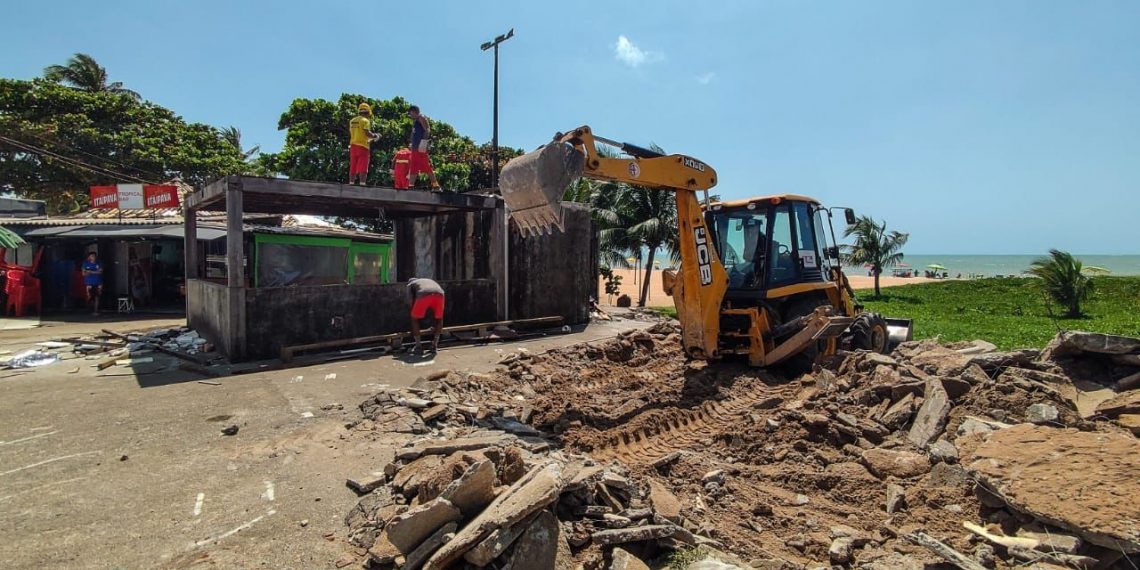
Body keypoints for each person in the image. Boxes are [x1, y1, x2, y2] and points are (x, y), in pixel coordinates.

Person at [407, 277, 445, 353]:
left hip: (423, 293)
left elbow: (410, 301)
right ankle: (434, 345)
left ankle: (418, 346)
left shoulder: (410, 284)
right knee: (439, 318)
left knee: (414, 318)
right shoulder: (427, 280)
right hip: (440, 294)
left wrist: (412, 311)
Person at [407, 105, 441, 191]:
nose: (410, 116)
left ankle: (436, 186)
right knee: (414, 166)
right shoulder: (415, 121)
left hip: (420, 147)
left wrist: (424, 142)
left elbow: (427, 130)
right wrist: (411, 143)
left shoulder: (421, 117)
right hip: (415, 148)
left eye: (410, 113)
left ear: (414, 112)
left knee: (426, 166)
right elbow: (413, 134)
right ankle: (411, 186)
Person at [348, 102, 379, 185]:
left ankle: (351, 183)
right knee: (363, 166)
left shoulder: (352, 121)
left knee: (353, 165)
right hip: (363, 147)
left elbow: (354, 133)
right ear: (368, 112)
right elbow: (367, 133)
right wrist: (375, 136)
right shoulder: (365, 121)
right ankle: (362, 183)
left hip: (353, 146)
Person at [81, 251, 103, 316]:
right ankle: (88, 309)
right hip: (89, 282)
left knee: (97, 296)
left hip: (98, 282)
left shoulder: (99, 263)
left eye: (94, 256)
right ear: (89, 257)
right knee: (89, 297)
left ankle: (96, 311)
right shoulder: (85, 263)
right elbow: (83, 273)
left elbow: (100, 272)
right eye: (91, 256)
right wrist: (94, 272)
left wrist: (90, 272)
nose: (93, 257)